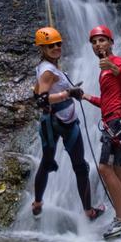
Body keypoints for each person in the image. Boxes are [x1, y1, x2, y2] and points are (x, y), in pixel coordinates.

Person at [32, 26, 105, 221]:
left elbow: (36, 92)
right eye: (50, 46)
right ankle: (89, 211)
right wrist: (68, 94)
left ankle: (37, 203)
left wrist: (71, 92)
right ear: (42, 48)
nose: (56, 47)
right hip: (64, 121)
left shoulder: (44, 68)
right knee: (80, 167)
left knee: (47, 162)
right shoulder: (48, 71)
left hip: (50, 122)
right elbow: (41, 99)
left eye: (58, 44)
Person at [82, 25, 121, 240]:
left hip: (116, 123)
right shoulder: (103, 69)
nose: (98, 45)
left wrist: (115, 69)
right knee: (120, 171)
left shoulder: (116, 62)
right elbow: (107, 101)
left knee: (105, 168)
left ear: (111, 43)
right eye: (94, 42)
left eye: (102, 40)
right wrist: (86, 97)